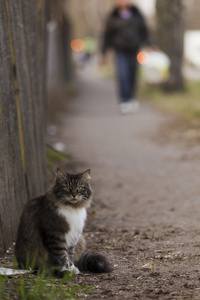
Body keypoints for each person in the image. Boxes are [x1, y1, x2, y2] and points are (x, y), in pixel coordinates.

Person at [101, 0, 155, 114]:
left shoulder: (137, 15)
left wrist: (151, 44)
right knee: (122, 74)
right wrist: (103, 53)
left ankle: (131, 98)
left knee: (132, 75)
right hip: (120, 51)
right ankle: (124, 101)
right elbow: (107, 36)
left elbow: (144, 32)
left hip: (134, 50)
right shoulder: (113, 16)